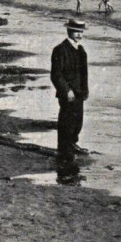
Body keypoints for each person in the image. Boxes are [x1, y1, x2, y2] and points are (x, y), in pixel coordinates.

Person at [51, 18, 89, 158]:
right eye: (76, 32)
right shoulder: (60, 50)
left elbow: (84, 74)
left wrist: (85, 90)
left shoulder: (81, 50)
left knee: (78, 120)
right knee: (66, 121)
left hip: (79, 91)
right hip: (67, 93)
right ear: (69, 31)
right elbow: (56, 75)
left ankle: (72, 143)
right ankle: (64, 148)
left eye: (81, 32)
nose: (79, 35)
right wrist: (66, 90)